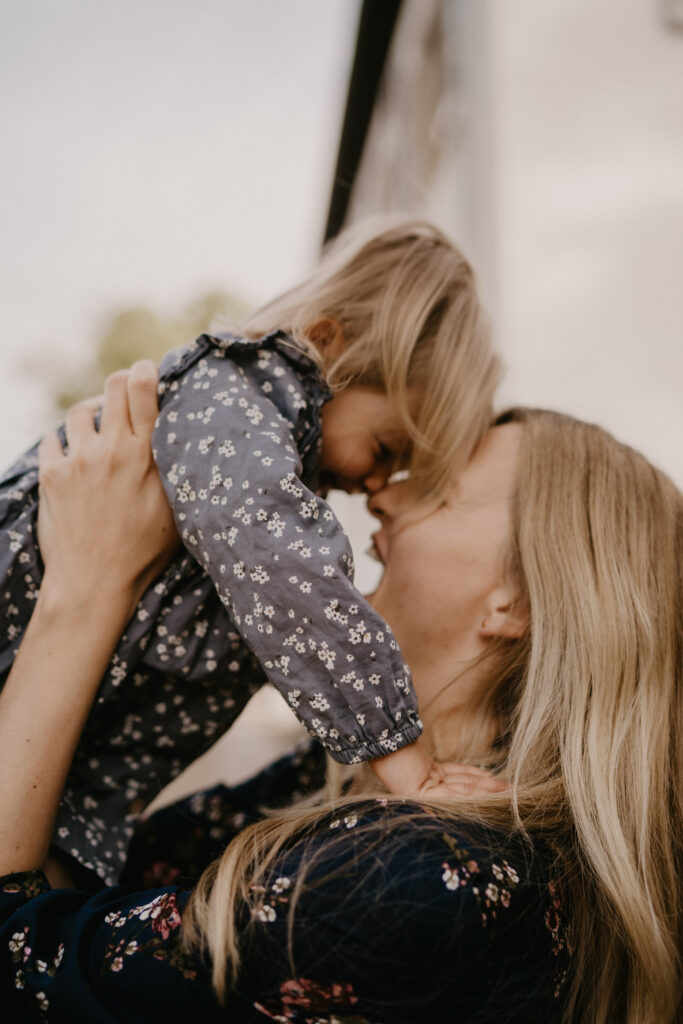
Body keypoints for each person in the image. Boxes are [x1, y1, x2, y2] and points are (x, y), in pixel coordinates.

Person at [1, 369, 680, 1023]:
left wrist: (84, 586)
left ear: (519, 598)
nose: (379, 496)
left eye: (439, 487)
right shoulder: (338, 779)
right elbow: (95, 878)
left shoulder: (415, 881)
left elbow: (21, 967)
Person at [0, 219, 500, 884]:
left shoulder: (281, 465)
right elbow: (288, 572)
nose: (377, 486)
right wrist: (402, 757)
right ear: (327, 343)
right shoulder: (237, 396)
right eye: (385, 450)